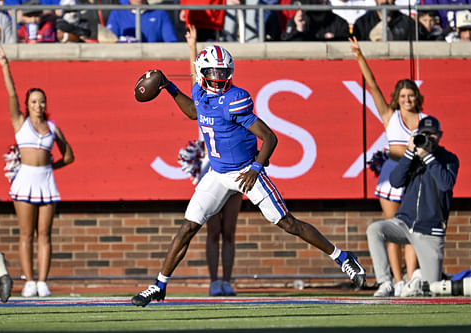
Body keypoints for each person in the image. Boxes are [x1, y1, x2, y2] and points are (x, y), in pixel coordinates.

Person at [131, 44, 366, 307]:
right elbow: (193, 112)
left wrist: (256, 168)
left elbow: (269, 137)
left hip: (245, 170)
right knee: (188, 227)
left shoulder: (235, 98)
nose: (219, 78)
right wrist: (170, 88)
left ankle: (343, 257)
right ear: (202, 71)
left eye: (223, 73)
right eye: (213, 72)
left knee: (288, 223)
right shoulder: (199, 90)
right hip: (218, 174)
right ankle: (159, 285)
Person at [0, 45, 75, 297]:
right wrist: (5, 66)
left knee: (45, 234)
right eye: (33, 101)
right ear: (27, 105)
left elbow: (70, 156)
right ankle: (28, 280)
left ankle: (42, 281)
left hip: (46, 181)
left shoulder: (53, 128)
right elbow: (11, 96)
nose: (38, 105)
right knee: (26, 234)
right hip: (25, 179)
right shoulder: (20, 123)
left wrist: (52, 166)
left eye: (41, 101)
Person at [349, 36, 426, 297]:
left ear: (417, 97)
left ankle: (412, 279)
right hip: (392, 178)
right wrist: (360, 56)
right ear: (397, 98)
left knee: (415, 230)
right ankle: (396, 280)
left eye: (411, 95)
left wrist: (404, 152)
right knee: (391, 228)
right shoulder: (389, 117)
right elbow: (372, 86)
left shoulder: (427, 120)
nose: (407, 99)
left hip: (417, 179)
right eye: (403, 95)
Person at [366, 116, 459, 296]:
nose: (428, 139)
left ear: (440, 135)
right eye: (425, 135)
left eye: (432, 135)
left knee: (432, 289)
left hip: (430, 230)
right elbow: (394, 181)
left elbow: (446, 184)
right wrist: (410, 153)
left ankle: (417, 277)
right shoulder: (412, 157)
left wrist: (429, 157)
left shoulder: (449, 159)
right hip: (405, 222)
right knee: (375, 230)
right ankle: (385, 282)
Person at [182, 25, 242, 296]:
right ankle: (213, 280)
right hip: (211, 168)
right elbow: (194, 75)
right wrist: (192, 47)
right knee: (212, 229)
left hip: (233, 167)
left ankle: (227, 279)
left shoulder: (232, 102)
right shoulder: (202, 99)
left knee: (229, 229)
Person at [106, 0, 178, 42]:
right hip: (125, 60)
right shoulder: (117, 13)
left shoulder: (160, 13)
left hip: (152, 60)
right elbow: (110, 41)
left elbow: (171, 41)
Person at [281, 0, 350, 41]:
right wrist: (299, 30)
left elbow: (345, 49)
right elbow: (288, 50)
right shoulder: (297, 21)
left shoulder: (339, 23)